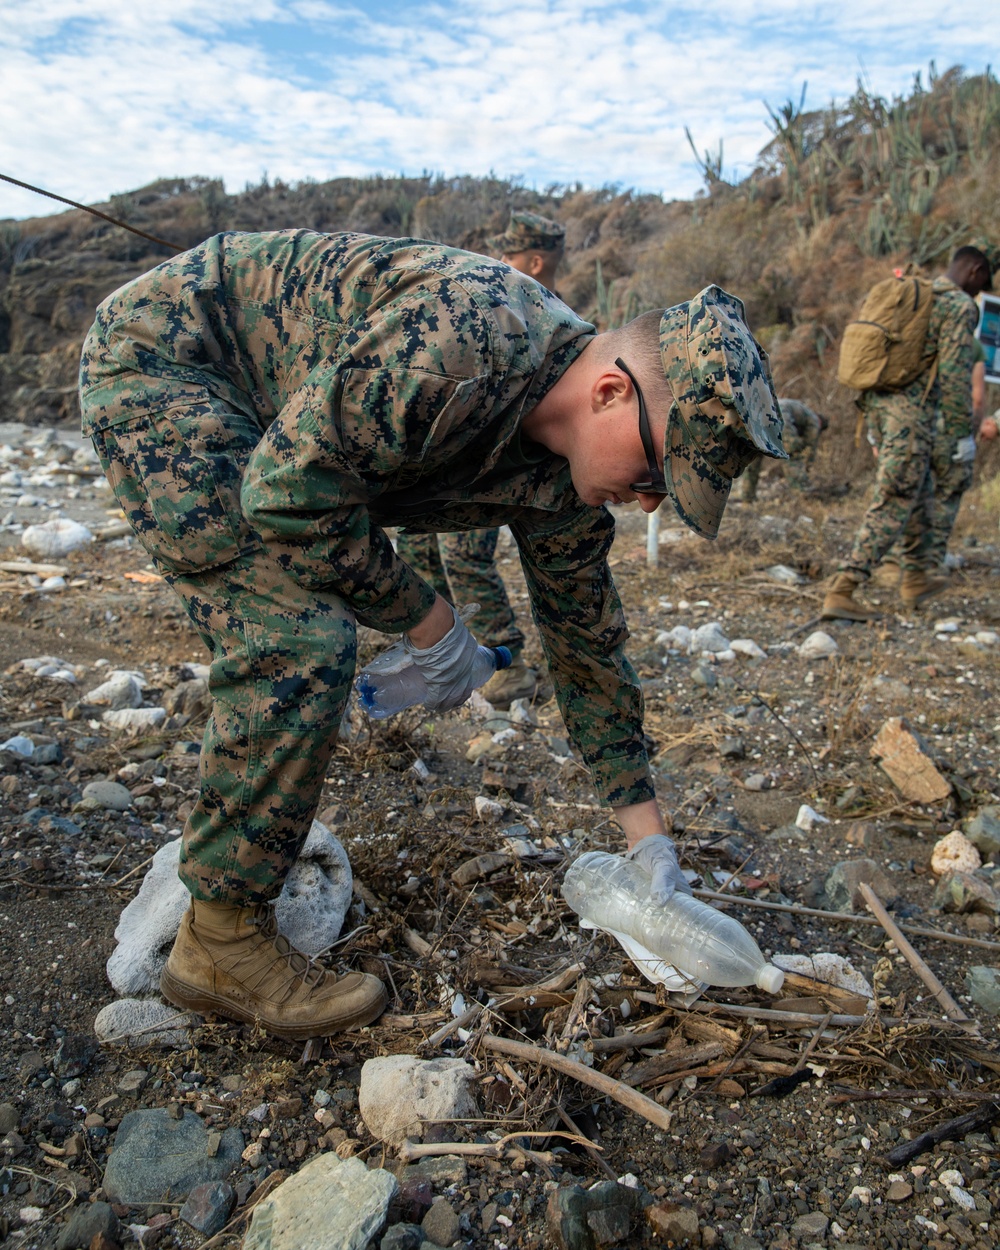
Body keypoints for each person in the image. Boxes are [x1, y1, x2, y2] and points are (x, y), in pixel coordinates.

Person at [80, 230, 786, 1040]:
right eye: (661, 471)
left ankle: (222, 915)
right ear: (609, 394)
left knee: (319, 624)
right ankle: (218, 943)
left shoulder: (567, 489)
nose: (654, 503)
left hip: (278, 420)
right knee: (301, 642)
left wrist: (649, 843)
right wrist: (430, 620)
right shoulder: (464, 344)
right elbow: (286, 492)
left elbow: (586, 644)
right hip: (173, 362)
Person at [393, 210, 570, 707]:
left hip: (492, 470)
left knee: (465, 556)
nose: (500, 262)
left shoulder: (550, 321)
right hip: (452, 462)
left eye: (509, 256)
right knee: (421, 550)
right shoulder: (509, 305)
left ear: (533, 262)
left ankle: (506, 663)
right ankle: (440, 658)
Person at [822, 243, 993, 621]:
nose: (981, 290)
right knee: (895, 500)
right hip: (911, 421)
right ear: (975, 270)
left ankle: (915, 578)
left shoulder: (919, 297)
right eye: (984, 281)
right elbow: (953, 375)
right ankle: (843, 588)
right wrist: (962, 432)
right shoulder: (958, 307)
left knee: (920, 493)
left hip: (884, 414)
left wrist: (872, 430)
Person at [740, 397, 827, 501]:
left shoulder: (802, 409)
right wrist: (808, 464)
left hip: (761, 413)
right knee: (792, 455)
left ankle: (747, 496)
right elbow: (810, 445)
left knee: (754, 456)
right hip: (780, 417)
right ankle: (802, 494)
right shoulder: (815, 420)